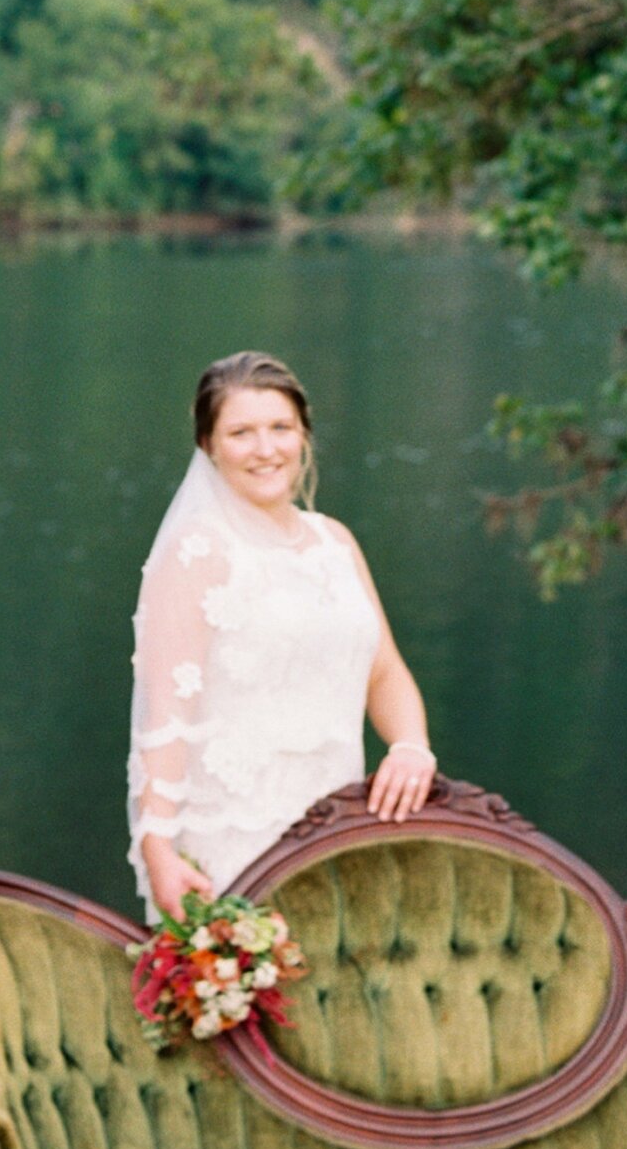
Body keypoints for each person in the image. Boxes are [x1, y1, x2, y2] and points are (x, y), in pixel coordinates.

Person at [128, 349, 437, 922]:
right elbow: (164, 715)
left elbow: (385, 670)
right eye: (241, 432)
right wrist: (158, 850)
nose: (266, 449)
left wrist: (411, 746)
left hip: (336, 835)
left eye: (280, 429)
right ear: (208, 446)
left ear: (304, 436)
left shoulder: (335, 543)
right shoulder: (197, 552)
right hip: (233, 841)